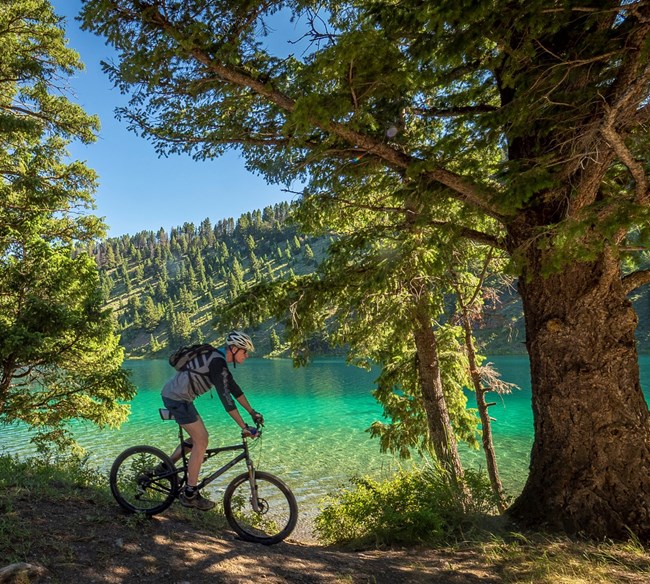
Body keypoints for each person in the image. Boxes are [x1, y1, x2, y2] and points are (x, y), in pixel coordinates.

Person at [160, 330, 264, 510]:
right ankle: (190, 494)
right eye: (244, 351)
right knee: (202, 440)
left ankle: (164, 467)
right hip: (176, 398)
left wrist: (252, 412)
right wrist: (243, 426)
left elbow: (234, 389)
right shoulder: (217, 362)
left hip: (179, 397)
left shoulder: (219, 361)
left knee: (196, 439)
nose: (246, 355)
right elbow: (227, 400)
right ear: (233, 349)